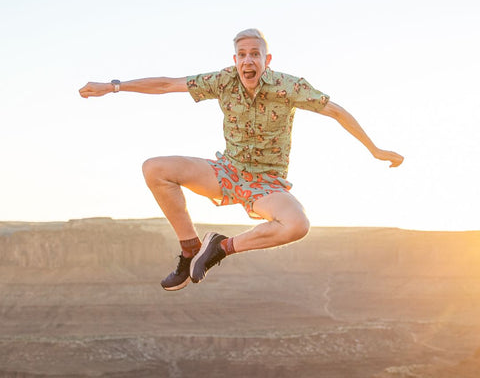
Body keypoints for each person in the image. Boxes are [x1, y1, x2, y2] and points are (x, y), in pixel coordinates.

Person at [79, 28, 404, 291]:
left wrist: (374, 149)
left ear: (267, 58)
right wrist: (112, 87)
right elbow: (166, 85)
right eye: (243, 55)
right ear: (235, 59)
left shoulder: (288, 87)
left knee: (297, 225)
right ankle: (191, 249)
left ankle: (220, 248)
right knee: (155, 169)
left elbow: (335, 111)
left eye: (255, 54)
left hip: (266, 183)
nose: (248, 61)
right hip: (226, 172)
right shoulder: (223, 80)